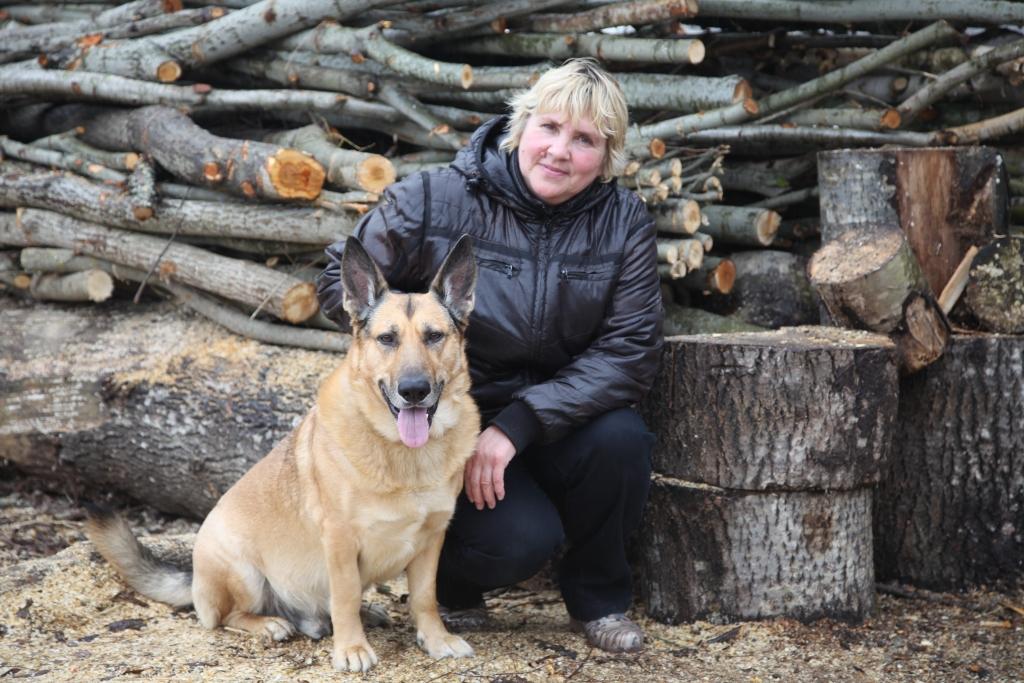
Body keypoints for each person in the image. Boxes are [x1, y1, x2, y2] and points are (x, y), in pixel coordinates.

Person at [316, 58, 663, 654]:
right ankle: (453, 584)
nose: (559, 150)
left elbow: (630, 351)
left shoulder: (623, 222)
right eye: (549, 127)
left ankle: (599, 600)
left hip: (554, 417)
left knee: (623, 440)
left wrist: (516, 425)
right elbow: (337, 282)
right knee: (519, 542)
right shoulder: (437, 197)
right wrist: (407, 326)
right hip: (448, 415)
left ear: (605, 156)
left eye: (583, 140)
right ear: (521, 125)